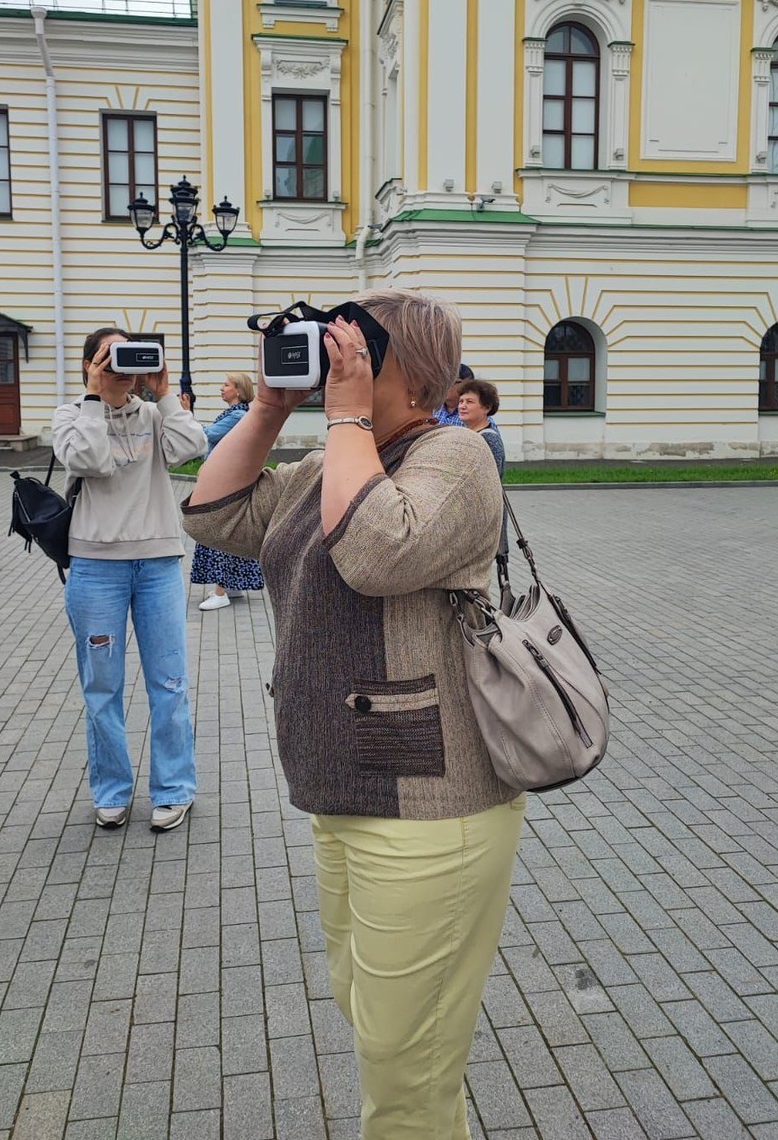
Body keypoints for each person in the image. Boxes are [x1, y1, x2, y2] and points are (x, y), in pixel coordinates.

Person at [182, 289, 524, 1139]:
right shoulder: (332, 460)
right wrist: (270, 406)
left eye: (355, 345)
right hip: (340, 788)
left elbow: (376, 552)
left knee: (405, 1072)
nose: (339, 356)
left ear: (409, 366)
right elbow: (216, 516)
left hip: (430, 803)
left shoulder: (455, 455)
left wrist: (340, 420)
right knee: (381, 1024)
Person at [52, 327, 205, 833]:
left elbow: (191, 448)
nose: (122, 365)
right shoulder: (72, 415)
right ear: (91, 363)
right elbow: (88, 461)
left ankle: (174, 789)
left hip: (158, 564)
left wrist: (163, 394)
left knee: (170, 683)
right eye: (110, 357)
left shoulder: (155, 415)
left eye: (128, 355)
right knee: (102, 686)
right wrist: (97, 397)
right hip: (96, 569)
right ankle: (112, 791)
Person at [186, 373, 265, 611]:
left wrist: (185, 416)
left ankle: (221, 592)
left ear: (238, 391)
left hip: (224, 483)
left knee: (218, 532)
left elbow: (208, 435)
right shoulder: (237, 414)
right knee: (232, 534)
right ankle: (231, 586)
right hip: (227, 480)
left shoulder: (238, 416)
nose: (222, 389)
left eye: (226, 385)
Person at [458, 378, 507, 559]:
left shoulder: (489, 439)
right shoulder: (469, 436)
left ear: (486, 407)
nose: (462, 406)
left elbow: (489, 485)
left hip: (482, 520)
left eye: (469, 402)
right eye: (461, 401)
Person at [434, 361, 476, 426]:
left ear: (468, 386)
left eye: (455, 382)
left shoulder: (476, 416)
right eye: (443, 381)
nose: (446, 386)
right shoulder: (433, 409)